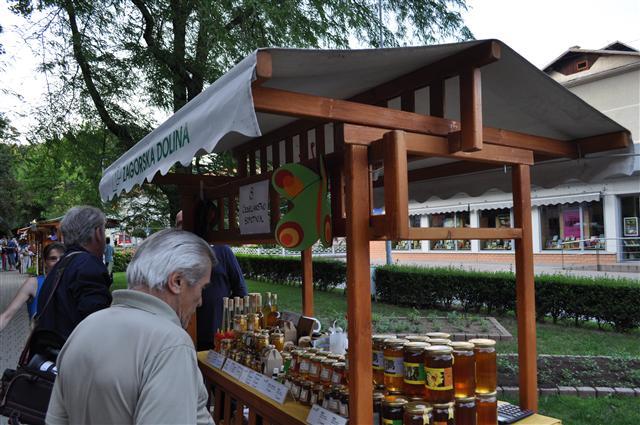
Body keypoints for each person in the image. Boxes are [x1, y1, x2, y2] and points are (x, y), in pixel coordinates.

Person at [46, 229, 216, 425]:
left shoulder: (86, 326)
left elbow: (55, 420)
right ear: (177, 282)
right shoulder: (170, 343)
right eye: (202, 288)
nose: (200, 301)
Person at [175, 210, 248, 351]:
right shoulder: (174, 255)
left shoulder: (223, 251)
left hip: (217, 332)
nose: (184, 227)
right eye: (180, 224)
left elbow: (240, 290)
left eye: (187, 223)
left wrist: (227, 315)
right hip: (184, 332)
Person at [35, 206, 112, 340]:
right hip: (76, 350)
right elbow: (98, 325)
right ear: (98, 233)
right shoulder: (88, 265)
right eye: (104, 231)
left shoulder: (62, 264)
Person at [0, 243, 66, 331]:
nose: (58, 262)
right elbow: (6, 315)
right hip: (43, 338)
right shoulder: (34, 283)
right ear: (45, 261)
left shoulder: (73, 284)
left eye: (62, 258)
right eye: (53, 258)